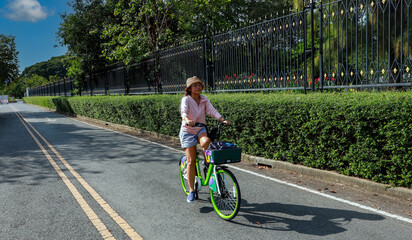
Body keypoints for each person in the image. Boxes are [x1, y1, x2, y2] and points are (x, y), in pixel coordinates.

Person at [179, 76, 230, 203]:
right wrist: (187, 120)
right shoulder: (186, 99)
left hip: (200, 129)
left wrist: (221, 119)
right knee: (191, 161)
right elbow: (183, 112)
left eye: (199, 85)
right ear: (189, 89)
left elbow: (211, 110)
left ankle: (206, 164)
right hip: (187, 131)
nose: (198, 87)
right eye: (195, 85)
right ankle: (191, 190)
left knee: (207, 142)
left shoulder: (204, 99)